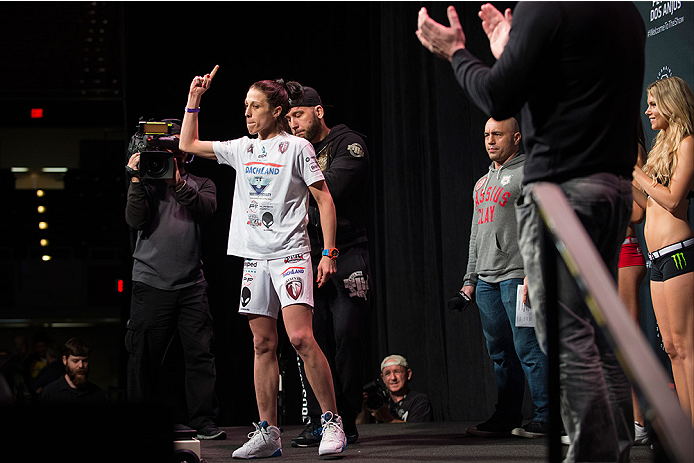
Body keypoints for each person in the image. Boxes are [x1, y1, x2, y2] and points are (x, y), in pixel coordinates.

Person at [417, 3, 645, 462]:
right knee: (595, 329)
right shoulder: (626, 12)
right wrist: (510, 49)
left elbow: (499, 97)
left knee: (566, 333)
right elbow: (568, 87)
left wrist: (456, 52)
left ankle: (593, 454)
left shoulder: (545, 6)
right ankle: (613, 448)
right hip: (612, 187)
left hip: (563, 191)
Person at [179, 66, 347, 459]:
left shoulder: (297, 148)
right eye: (245, 107)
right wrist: (194, 99)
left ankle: (332, 421)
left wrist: (328, 252)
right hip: (255, 257)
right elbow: (187, 144)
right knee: (262, 343)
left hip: (291, 252)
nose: (247, 113)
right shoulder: (243, 148)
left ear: (277, 111)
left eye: (255, 106)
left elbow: (324, 200)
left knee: (302, 338)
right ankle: (269, 432)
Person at [124, 118, 225, 440]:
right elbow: (134, 220)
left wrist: (178, 183)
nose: (169, 157)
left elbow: (206, 209)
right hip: (151, 282)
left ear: (185, 154)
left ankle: (204, 421)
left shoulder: (201, 184)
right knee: (144, 358)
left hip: (191, 284)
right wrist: (138, 179)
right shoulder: (146, 185)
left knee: (200, 355)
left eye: (175, 151)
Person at [284, 84, 371, 447]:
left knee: (347, 337)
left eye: (298, 115)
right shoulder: (292, 148)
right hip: (304, 252)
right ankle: (323, 418)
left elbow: (329, 188)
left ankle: (347, 418)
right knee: (309, 339)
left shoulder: (348, 144)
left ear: (318, 111)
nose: (293, 124)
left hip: (346, 252)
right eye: (287, 118)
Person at [461, 117, 549, 438]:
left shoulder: (528, 174)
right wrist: (470, 278)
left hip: (517, 276)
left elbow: (541, 225)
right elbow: (475, 234)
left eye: (497, 134)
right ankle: (507, 415)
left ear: (516, 137)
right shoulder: (481, 184)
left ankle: (547, 415)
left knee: (528, 346)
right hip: (486, 281)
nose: (490, 140)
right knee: (500, 352)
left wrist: (532, 273)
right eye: (486, 135)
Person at [632, 76, 694, 425]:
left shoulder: (687, 143)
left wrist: (636, 172)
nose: (648, 110)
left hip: (679, 252)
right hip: (656, 258)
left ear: (671, 104)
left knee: (686, 348)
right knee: (670, 348)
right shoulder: (659, 147)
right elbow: (643, 209)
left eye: (653, 104)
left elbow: (672, 199)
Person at [620, 129, 649, 444]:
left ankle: (640, 422)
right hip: (608, 255)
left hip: (626, 254)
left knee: (628, 343)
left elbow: (639, 210)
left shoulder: (631, 148)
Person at [357, 354, 432, 423]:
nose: (393, 378)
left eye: (397, 372)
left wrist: (388, 418)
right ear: (383, 378)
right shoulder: (378, 400)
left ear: (408, 374)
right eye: (387, 374)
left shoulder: (419, 401)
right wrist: (363, 408)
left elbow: (418, 432)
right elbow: (360, 430)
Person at [37, 338, 106, 405]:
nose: (81, 365)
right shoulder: (49, 394)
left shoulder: (97, 394)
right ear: (64, 360)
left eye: (85, 361)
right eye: (75, 361)